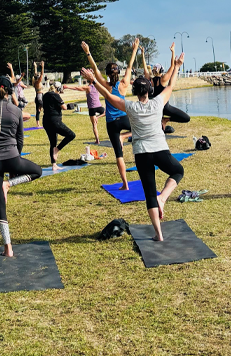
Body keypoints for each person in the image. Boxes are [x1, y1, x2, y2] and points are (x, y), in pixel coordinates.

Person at [82, 51, 187, 241]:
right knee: (178, 171)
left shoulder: (130, 107)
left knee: (149, 193)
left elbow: (107, 94)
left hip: (142, 154)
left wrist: (92, 80)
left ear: (135, 92)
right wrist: (177, 66)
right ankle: (163, 197)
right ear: (149, 91)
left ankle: (159, 234)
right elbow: (171, 85)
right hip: (160, 150)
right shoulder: (158, 103)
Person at [0, 74, 42, 257]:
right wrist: (14, 164)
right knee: (38, 171)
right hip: (13, 158)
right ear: (9, 91)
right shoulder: (17, 111)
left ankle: (8, 248)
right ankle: (9, 184)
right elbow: (20, 141)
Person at [81, 37, 139, 190]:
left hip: (112, 123)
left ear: (107, 74)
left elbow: (95, 71)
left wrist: (88, 53)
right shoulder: (124, 84)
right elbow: (130, 66)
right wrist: (134, 50)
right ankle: (125, 136)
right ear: (118, 73)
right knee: (139, 129)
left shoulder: (105, 85)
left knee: (119, 154)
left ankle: (125, 184)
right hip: (125, 119)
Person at [144, 43, 191, 129]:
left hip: (156, 108)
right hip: (165, 107)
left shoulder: (150, 80)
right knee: (186, 118)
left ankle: (162, 121)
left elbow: (145, 69)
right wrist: (173, 51)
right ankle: (165, 120)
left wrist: (142, 54)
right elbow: (172, 66)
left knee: (159, 129)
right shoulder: (163, 79)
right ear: (161, 70)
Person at [42, 80, 76, 170]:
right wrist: (70, 106)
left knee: (53, 142)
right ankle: (57, 149)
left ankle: (54, 165)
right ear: (58, 88)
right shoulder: (56, 95)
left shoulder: (45, 95)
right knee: (71, 135)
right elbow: (64, 107)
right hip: (55, 121)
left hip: (45, 121)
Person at [63, 79, 105, 144]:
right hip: (98, 106)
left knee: (94, 125)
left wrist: (68, 87)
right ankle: (98, 117)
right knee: (106, 112)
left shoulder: (88, 87)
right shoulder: (97, 86)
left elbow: (77, 88)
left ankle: (97, 140)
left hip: (92, 108)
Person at [32, 61, 45, 128]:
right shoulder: (37, 82)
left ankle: (38, 124)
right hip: (39, 97)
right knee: (42, 109)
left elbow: (35, 74)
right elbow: (42, 74)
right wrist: (42, 67)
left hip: (39, 96)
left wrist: (35, 66)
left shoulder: (35, 81)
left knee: (39, 110)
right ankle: (38, 124)